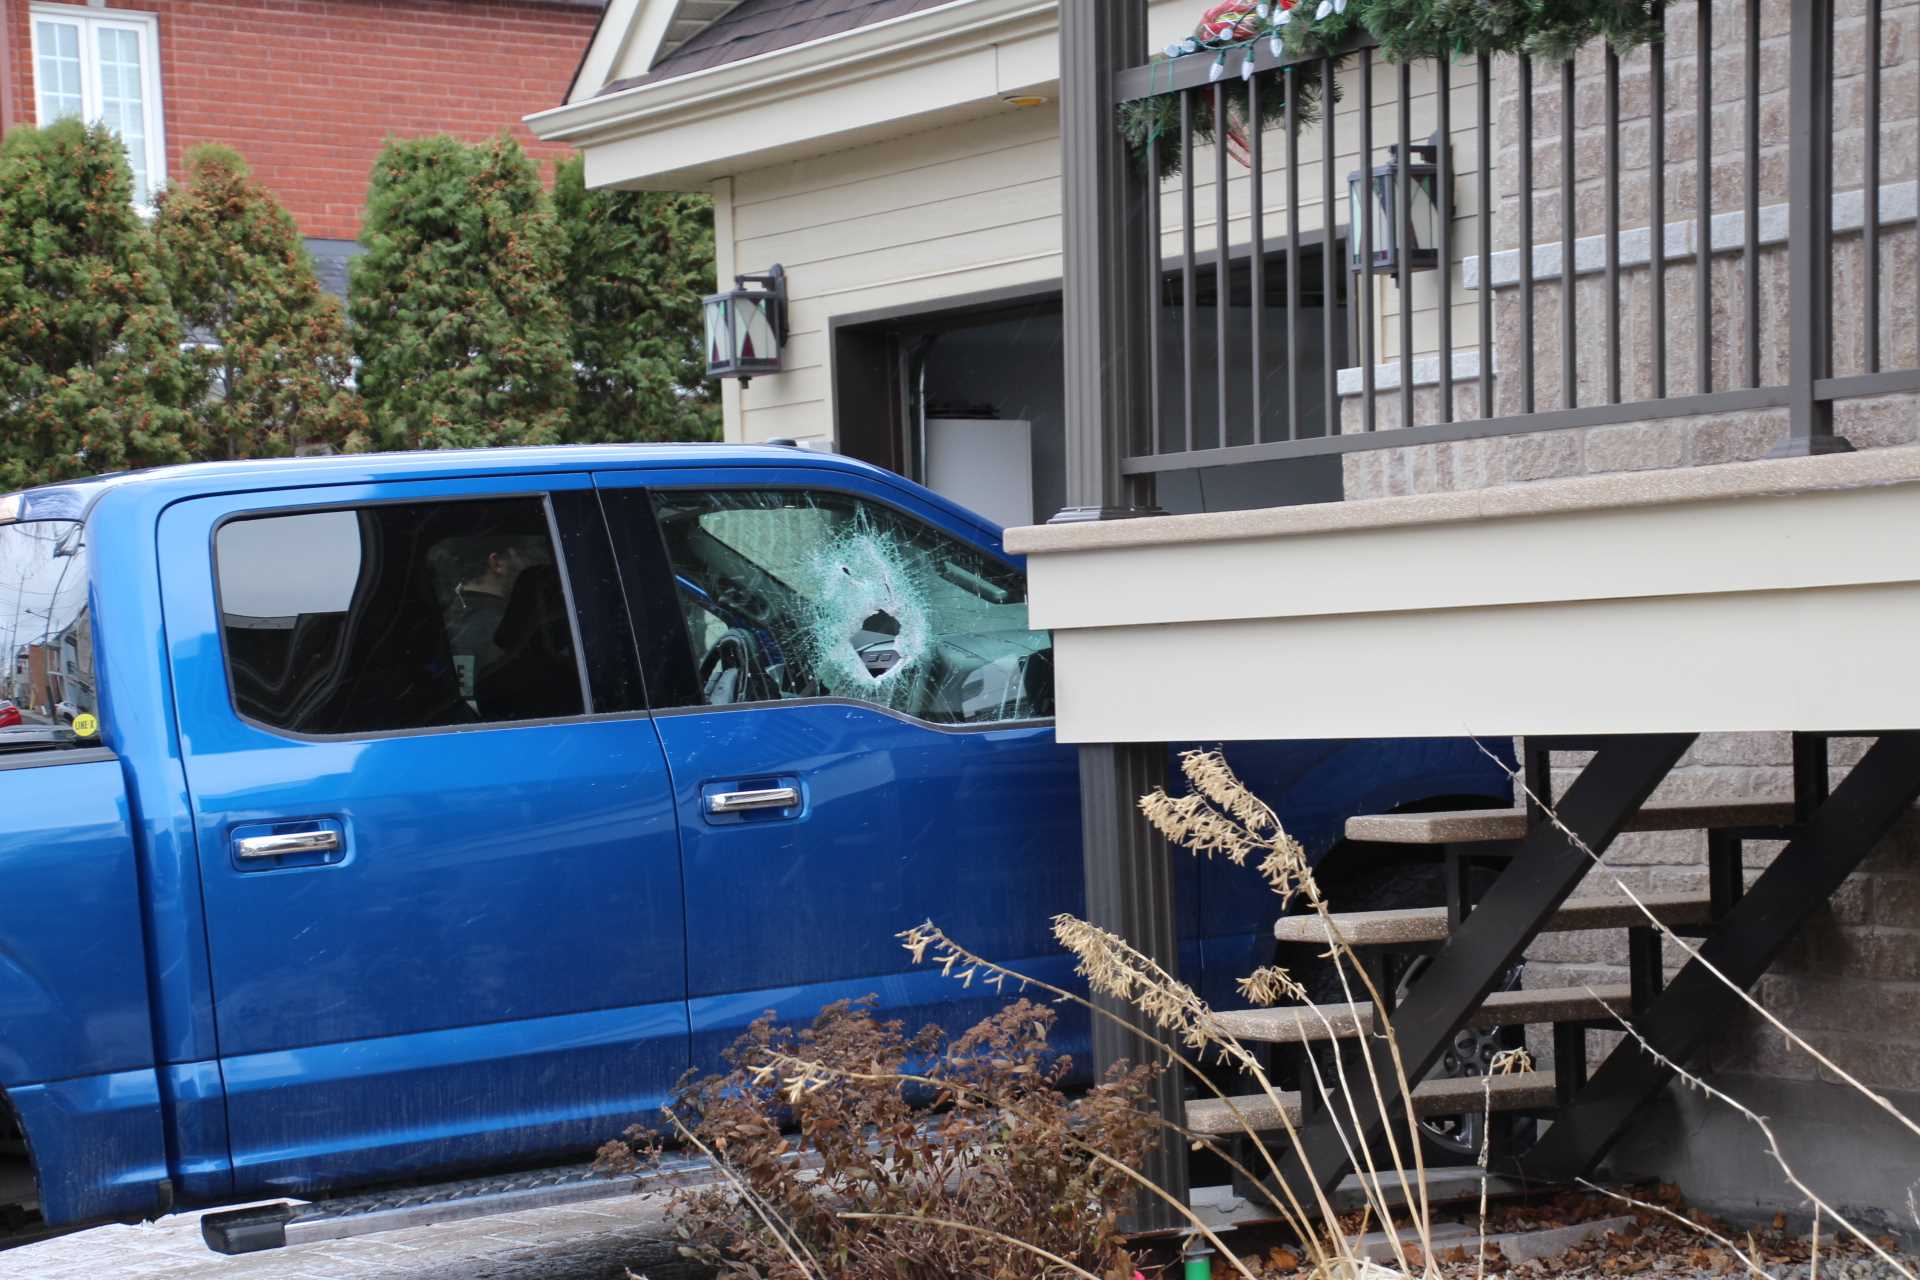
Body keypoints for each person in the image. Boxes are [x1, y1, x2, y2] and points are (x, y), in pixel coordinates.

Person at [444, 536, 540, 697]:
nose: (526, 564)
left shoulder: (452, 619)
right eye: (524, 556)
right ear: (496, 563)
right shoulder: (505, 627)